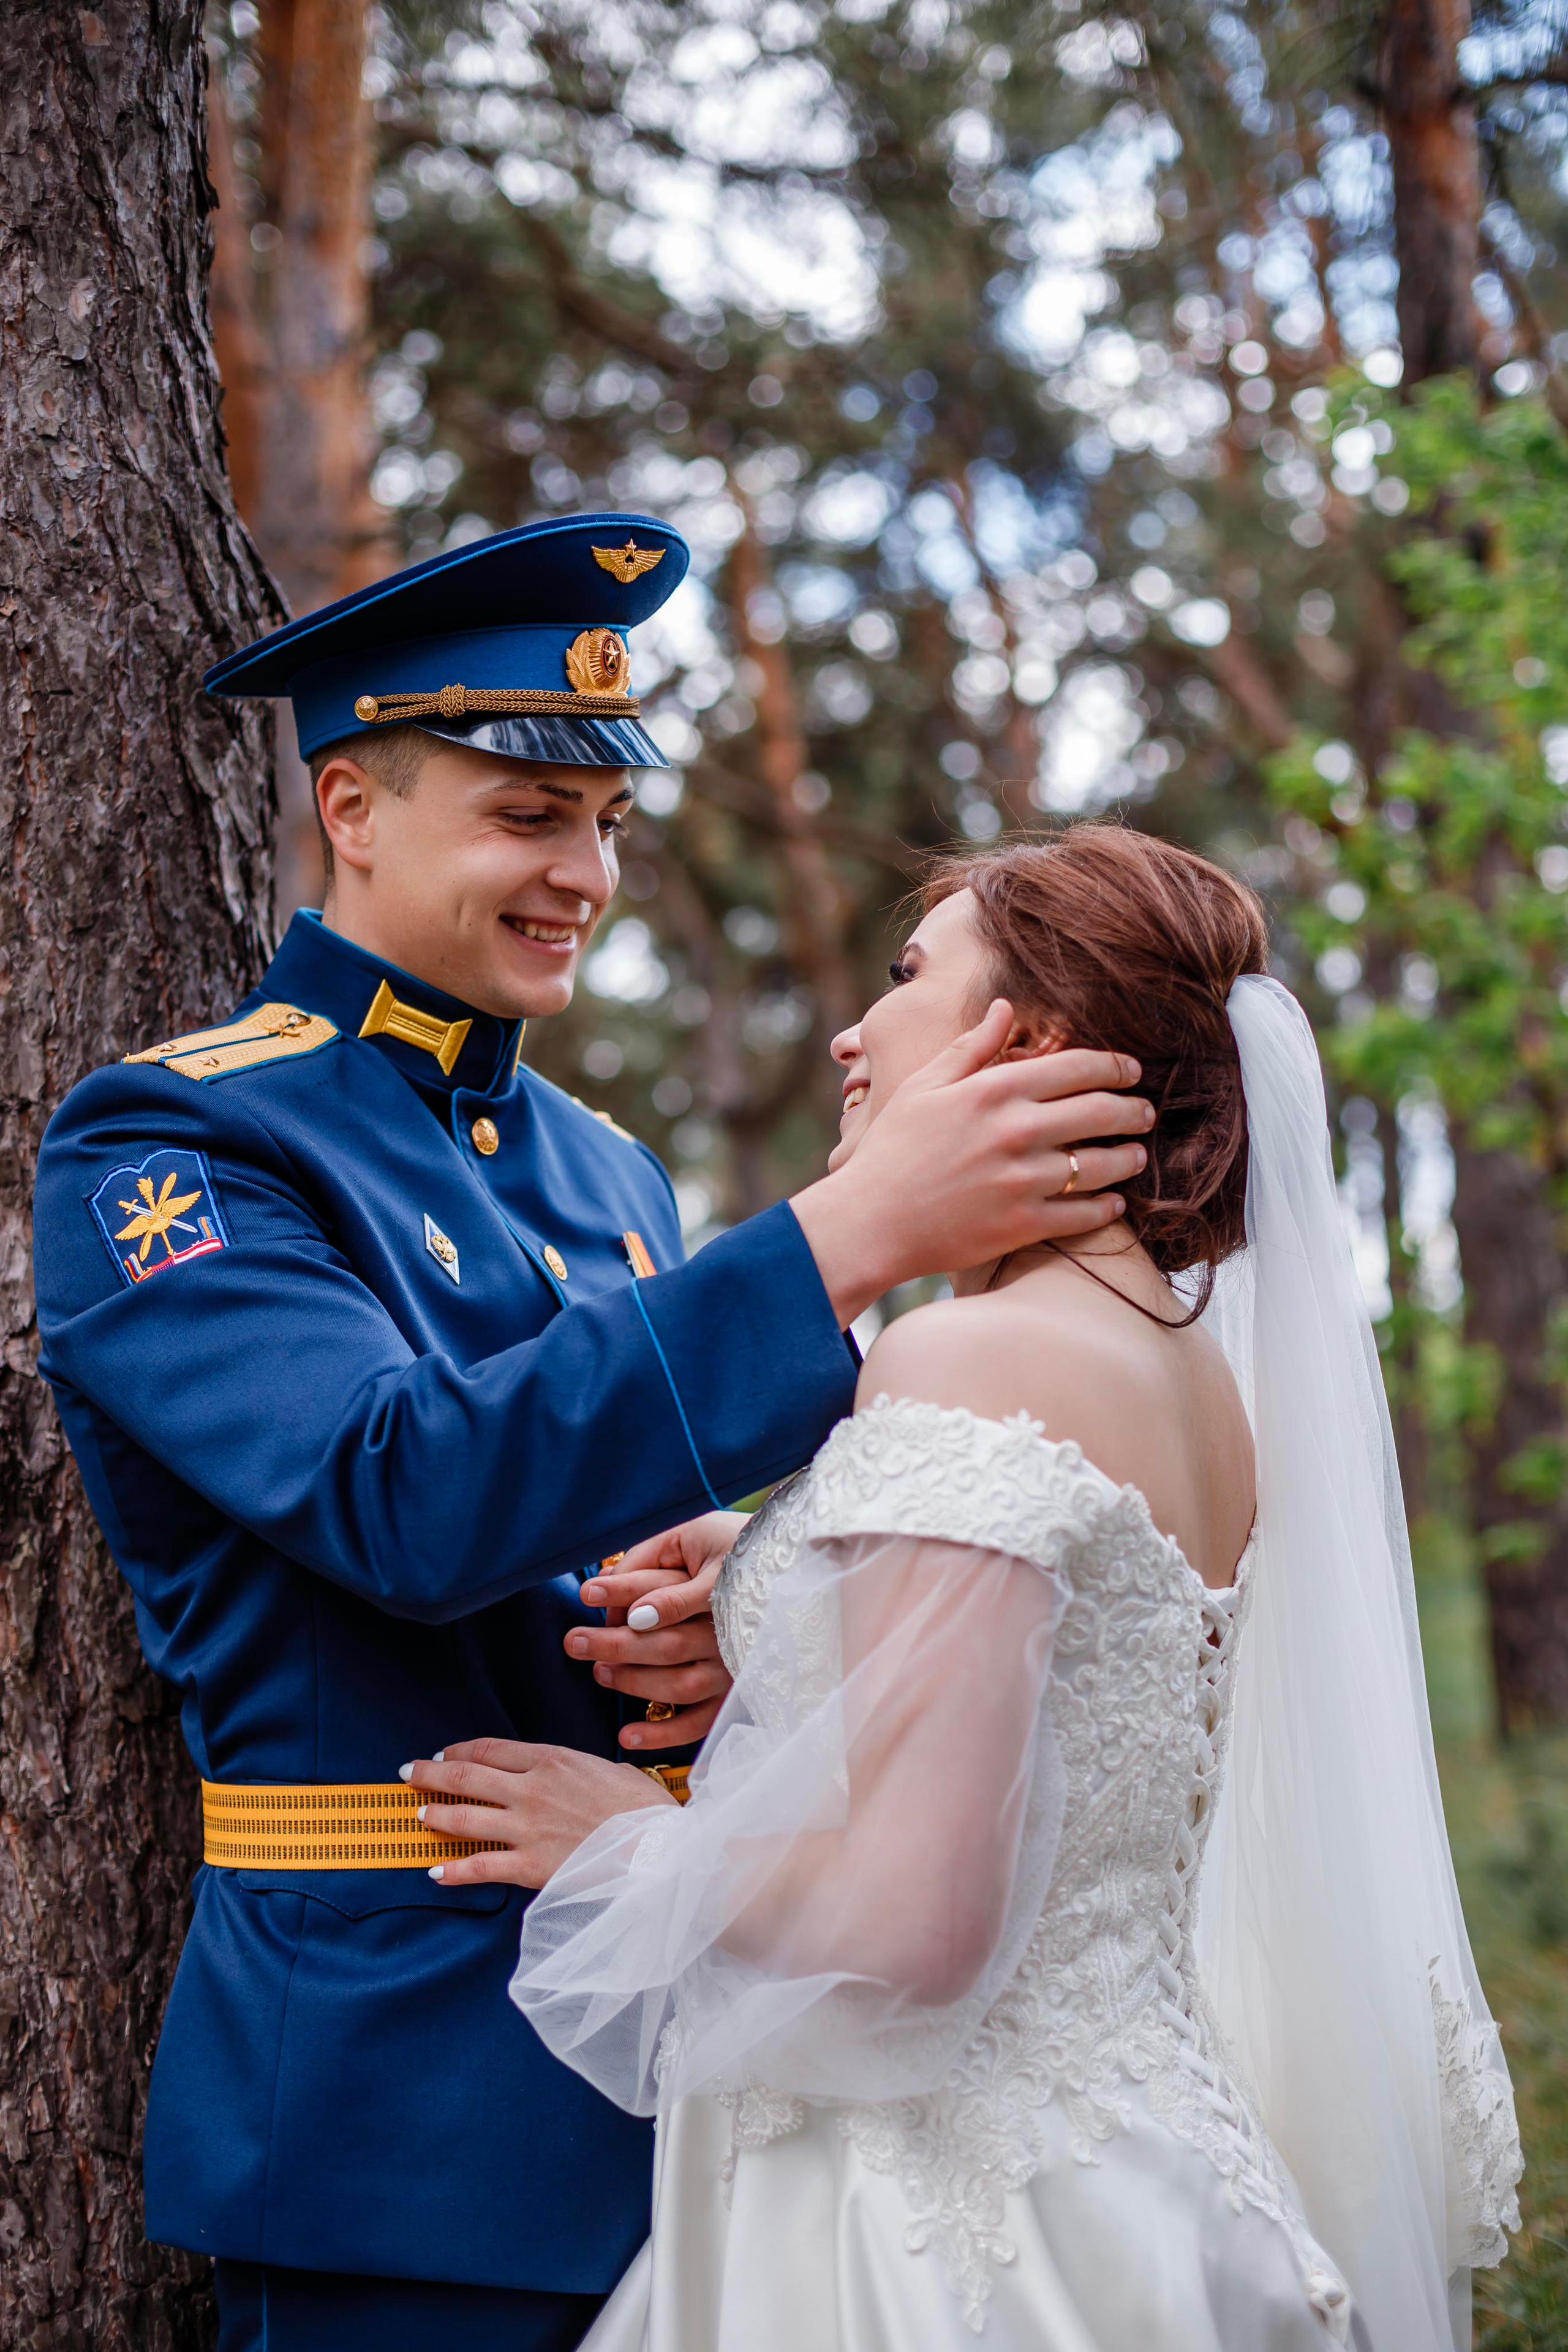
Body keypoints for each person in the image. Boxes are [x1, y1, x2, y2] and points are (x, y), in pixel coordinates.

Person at [29, 514, 1153, 2352]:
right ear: (352, 807)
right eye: (527, 814)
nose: (585, 875)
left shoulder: (604, 1164)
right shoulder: (173, 1144)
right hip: (399, 2114)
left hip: (709, 2079)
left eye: (609, 825)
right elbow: (400, 1494)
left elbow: (603, 1512)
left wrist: (723, 1627)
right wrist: (849, 1239)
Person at [407, 824, 1523, 2352]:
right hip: (1131, 2176)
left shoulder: (967, 1355)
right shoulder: (1188, 1371)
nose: (856, 1032)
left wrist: (622, 1845)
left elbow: (916, 1922)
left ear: (1034, 1045)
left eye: (907, 977)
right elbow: (1071, 1686)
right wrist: (783, 1582)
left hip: (931, 2238)